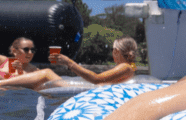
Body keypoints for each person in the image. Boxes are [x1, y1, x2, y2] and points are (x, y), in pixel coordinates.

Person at [0, 37, 138, 91]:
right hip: (87, 88)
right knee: (43, 78)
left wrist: (69, 63)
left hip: (87, 90)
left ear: (116, 51)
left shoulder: (125, 67)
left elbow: (97, 79)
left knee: (46, 73)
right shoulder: (128, 68)